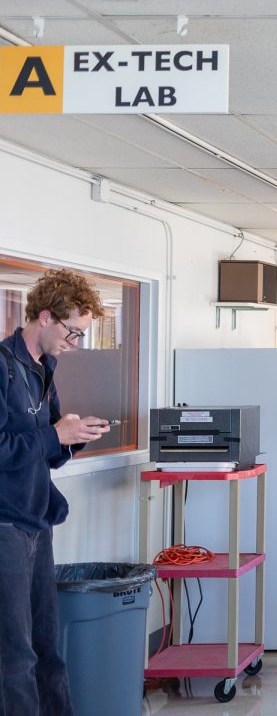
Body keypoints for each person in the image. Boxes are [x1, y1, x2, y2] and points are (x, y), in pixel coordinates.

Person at [0, 268, 111, 714]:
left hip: (37, 521)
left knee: (48, 648)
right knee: (16, 654)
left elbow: (45, 448)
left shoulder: (44, 368)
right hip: (5, 525)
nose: (74, 342)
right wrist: (54, 437)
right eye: (72, 332)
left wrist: (74, 437)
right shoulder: (3, 367)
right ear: (44, 317)